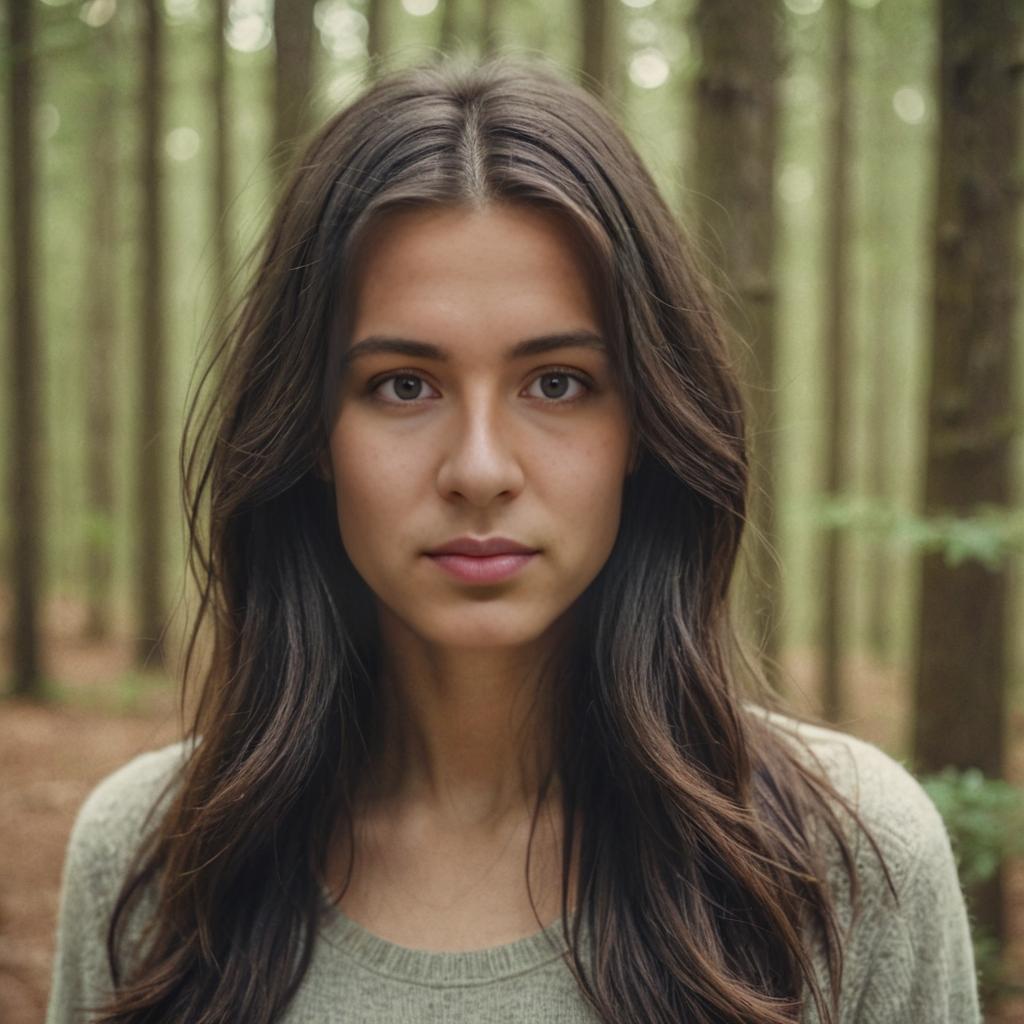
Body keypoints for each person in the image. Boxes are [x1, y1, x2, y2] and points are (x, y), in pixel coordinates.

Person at [45, 54, 980, 1024]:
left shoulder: (842, 866)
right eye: (403, 384)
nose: (480, 467)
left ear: (643, 427)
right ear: (312, 434)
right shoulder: (152, 864)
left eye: (557, 382)